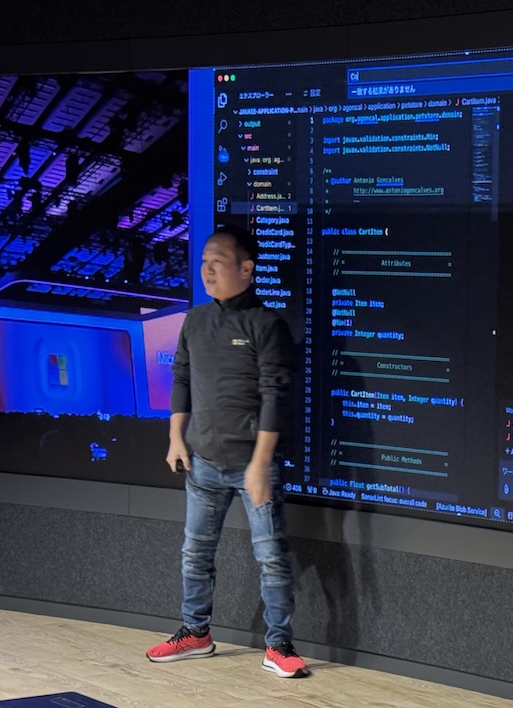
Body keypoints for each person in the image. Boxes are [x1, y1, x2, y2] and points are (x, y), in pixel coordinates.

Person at [145, 225, 308, 678]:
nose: (207, 269)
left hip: (252, 466)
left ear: (247, 268)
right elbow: (181, 378)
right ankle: (195, 634)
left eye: (218, 261)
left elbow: (275, 395)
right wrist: (176, 438)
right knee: (195, 554)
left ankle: (279, 645)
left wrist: (260, 464)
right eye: (204, 261)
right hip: (202, 463)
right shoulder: (195, 320)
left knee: (271, 558)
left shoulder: (267, 324)